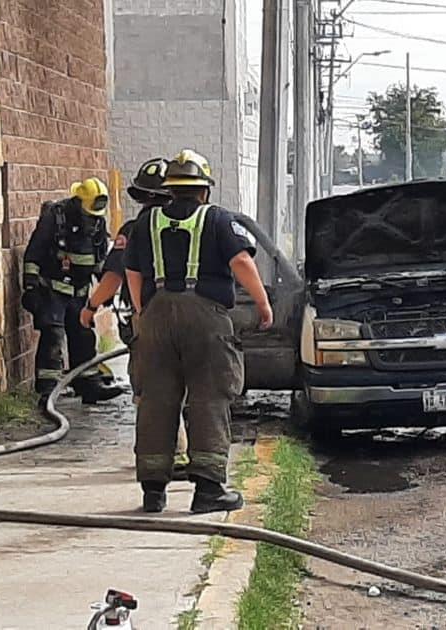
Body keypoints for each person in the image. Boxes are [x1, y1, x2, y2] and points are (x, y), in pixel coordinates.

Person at [125, 149, 274, 514]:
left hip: (155, 315)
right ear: (204, 190)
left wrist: (142, 310)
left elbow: (132, 271)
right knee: (209, 396)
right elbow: (241, 260)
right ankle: (207, 490)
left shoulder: (144, 223)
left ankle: (153, 491)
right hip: (206, 318)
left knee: (156, 400)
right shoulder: (219, 220)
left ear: (171, 189)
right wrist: (263, 304)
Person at [80, 158, 190, 480]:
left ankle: (159, 455)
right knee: (189, 385)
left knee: (151, 388)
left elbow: (114, 278)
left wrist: (90, 307)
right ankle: (189, 455)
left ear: (141, 196)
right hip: (193, 315)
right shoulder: (199, 222)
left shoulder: (134, 230)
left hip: (148, 319)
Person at [22, 177, 126, 405]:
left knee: (83, 335)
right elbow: (34, 252)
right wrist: (30, 286)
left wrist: (105, 287)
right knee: (53, 335)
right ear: (78, 201)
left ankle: (89, 386)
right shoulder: (55, 217)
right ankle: (48, 390)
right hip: (53, 290)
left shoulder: (97, 221)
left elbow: (99, 258)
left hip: (79, 291)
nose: (92, 219)